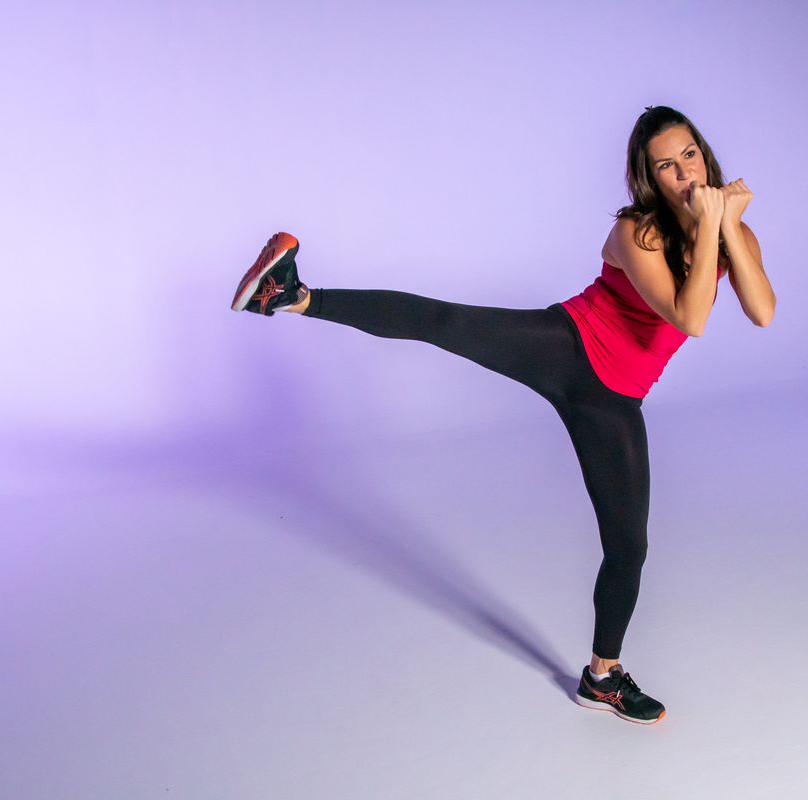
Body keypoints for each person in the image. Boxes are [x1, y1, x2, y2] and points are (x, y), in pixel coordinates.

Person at [229, 105, 775, 725]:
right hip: (566, 346)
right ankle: (290, 296)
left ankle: (602, 677)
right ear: (647, 177)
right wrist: (712, 224)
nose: (682, 173)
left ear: (704, 154)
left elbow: (762, 310)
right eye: (665, 166)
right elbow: (691, 317)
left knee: (629, 547)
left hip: (613, 400)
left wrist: (729, 229)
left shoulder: (728, 235)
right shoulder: (636, 233)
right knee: (447, 322)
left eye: (690, 158)